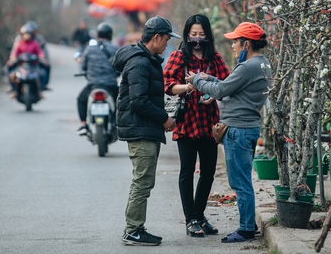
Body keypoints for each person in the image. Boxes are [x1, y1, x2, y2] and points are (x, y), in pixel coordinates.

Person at [186, 22, 271, 243]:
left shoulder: (247, 67)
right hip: (248, 128)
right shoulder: (262, 64)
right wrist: (209, 79)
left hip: (239, 130)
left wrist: (196, 80)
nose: (232, 45)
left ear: (246, 43)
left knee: (240, 182)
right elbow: (229, 87)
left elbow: (223, 90)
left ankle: (245, 229)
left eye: (235, 41)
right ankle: (248, 224)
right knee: (243, 179)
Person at [111, 15, 180, 246]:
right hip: (141, 130)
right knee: (142, 181)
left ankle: (136, 227)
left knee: (144, 181)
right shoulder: (140, 62)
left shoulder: (147, 59)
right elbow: (139, 101)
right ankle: (132, 230)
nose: (167, 43)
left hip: (144, 128)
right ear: (156, 37)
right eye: (166, 38)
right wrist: (164, 119)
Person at [163, 14, 230, 237]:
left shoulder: (215, 59)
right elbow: (168, 85)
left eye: (202, 34)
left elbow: (226, 82)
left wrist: (212, 93)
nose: (198, 38)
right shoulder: (179, 56)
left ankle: (200, 216)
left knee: (209, 171)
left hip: (209, 122)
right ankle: (190, 218)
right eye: (194, 34)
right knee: (187, 171)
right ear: (187, 35)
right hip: (187, 122)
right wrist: (189, 87)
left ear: (208, 35)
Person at [76, 22, 120, 136]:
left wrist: (86, 72)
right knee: (122, 101)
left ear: (98, 34)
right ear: (110, 35)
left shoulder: (90, 49)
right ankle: (119, 124)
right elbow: (120, 66)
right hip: (111, 85)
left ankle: (83, 124)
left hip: (93, 85)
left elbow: (83, 66)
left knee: (81, 100)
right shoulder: (115, 49)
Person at [6, 24, 48, 98]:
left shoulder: (35, 43)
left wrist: (42, 58)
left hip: (33, 65)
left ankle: (40, 90)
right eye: (25, 34)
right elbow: (14, 53)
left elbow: (40, 53)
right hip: (21, 65)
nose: (27, 36)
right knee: (12, 74)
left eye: (28, 34)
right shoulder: (19, 43)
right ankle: (14, 89)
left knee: (43, 74)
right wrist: (13, 59)